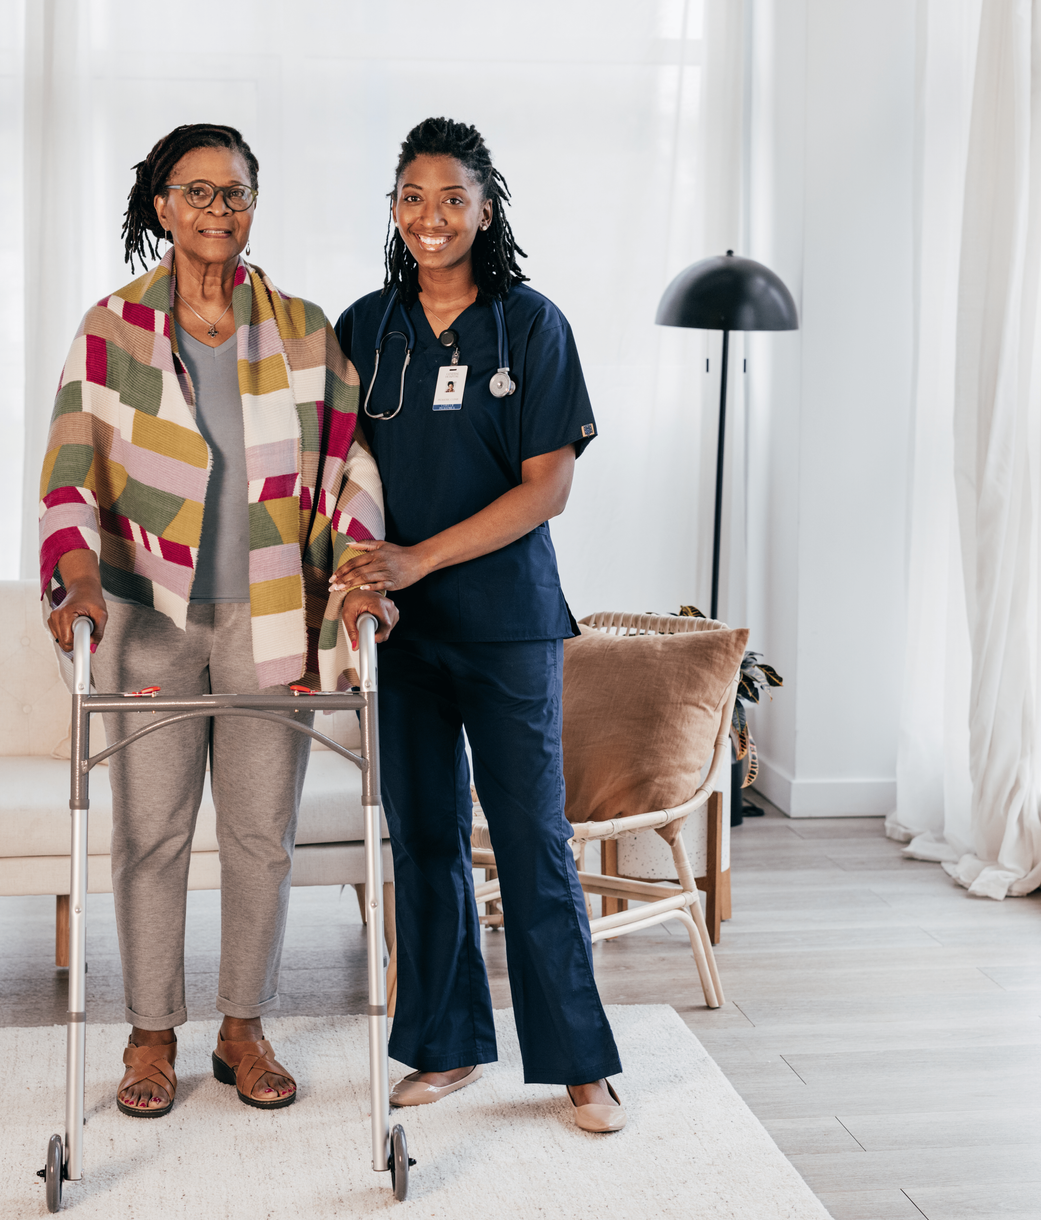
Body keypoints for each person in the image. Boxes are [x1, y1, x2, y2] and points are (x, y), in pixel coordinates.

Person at [39, 123, 397, 1119]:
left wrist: (362, 575)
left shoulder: (303, 331)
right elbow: (69, 483)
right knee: (149, 833)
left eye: (234, 193)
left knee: (260, 833)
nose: (218, 210)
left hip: (273, 613)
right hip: (148, 615)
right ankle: (150, 1034)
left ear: (254, 204)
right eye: (196, 192)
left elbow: (350, 472)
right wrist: (73, 581)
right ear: (159, 205)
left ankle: (243, 1027)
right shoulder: (111, 331)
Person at [331, 116, 624, 1133]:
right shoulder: (364, 329)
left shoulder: (531, 324)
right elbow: (339, 476)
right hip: (399, 636)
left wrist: (418, 557)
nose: (431, 217)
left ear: (485, 207)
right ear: (395, 209)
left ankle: (580, 1061)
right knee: (423, 837)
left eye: (452, 197)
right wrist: (363, 578)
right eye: (412, 197)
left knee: (534, 836)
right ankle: (447, 1045)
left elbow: (547, 488)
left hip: (506, 626)